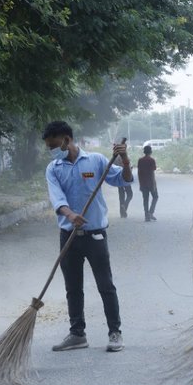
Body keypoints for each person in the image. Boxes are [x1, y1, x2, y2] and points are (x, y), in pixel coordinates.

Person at [43, 121, 133, 353]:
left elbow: (123, 180)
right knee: (73, 288)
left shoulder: (96, 161)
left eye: (54, 145)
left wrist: (125, 160)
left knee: (106, 285)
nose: (52, 150)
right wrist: (70, 214)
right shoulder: (54, 168)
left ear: (66, 139)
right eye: (49, 147)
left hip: (95, 236)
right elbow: (57, 198)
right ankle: (77, 334)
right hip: (69, 235)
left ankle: (115, 333)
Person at [137, 144, 158, 221]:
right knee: (155, 197)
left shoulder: (140, 160)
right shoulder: (152, 160)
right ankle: (151, 212)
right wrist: (154, 184)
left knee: (145, 199)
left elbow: (139, 173)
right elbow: (153, 171)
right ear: (151, 152)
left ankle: (146, 216)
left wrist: (140, 184)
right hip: (151, 182)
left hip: (143, 183)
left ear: (144, 152)